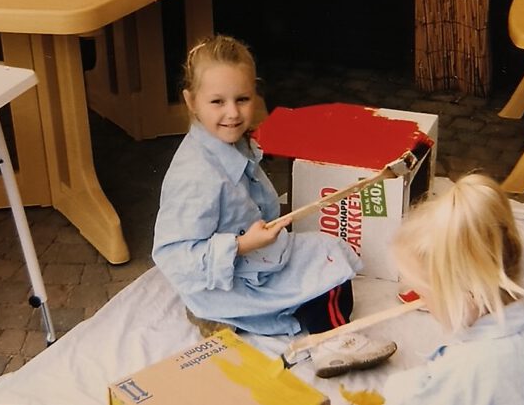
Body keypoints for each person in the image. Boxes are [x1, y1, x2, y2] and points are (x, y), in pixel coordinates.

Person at [152, 34, 396, 377]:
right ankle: (329, 342)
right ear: (191, 101)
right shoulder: (196, 176)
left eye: (243, 99)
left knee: (331, 265)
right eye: (217, 102)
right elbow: (172, 255)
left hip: (252, 262)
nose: (233, 113)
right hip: (232, 277)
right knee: (330, 264)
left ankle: (244, 316)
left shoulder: (230, 143)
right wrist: (241, 245)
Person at [382, 173, 524, 405]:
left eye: (424, 293)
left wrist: (395, 387)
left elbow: (413, 398)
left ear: (463, 295)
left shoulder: (470, 368)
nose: (421, 301)